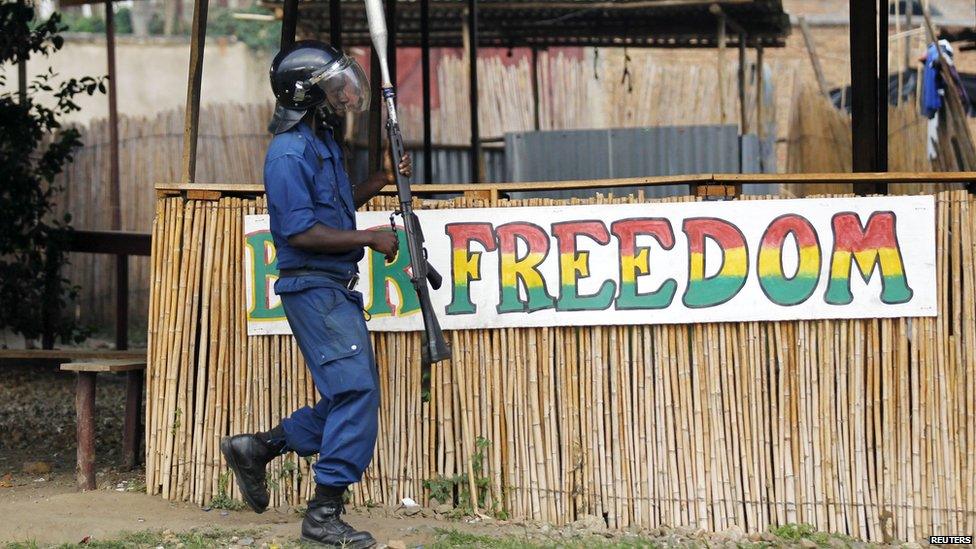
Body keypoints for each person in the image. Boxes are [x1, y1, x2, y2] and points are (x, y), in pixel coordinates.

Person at [220, 40, 409, 549]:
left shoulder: (319, 141)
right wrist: (369, 238)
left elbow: (335, 207)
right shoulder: (288, 154)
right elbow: (300, 232)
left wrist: (381, 180)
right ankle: (323, 515)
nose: (343, 94)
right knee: (356, 393)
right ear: (305, 94)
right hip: (313, 288)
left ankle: (259, 448)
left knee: (348, 394)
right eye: (332, 86)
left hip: (332, 288)